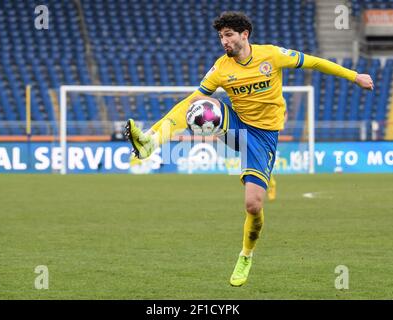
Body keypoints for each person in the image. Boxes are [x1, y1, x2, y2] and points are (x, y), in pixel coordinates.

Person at [125, 11, 374, 287]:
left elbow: (313, 62)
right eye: (221, 36)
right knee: (202, 105)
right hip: (236, 124)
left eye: (229, 35)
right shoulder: (221, 68)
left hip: (263, 137)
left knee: (253, 206)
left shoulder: (271, 55)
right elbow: (191, 100)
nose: (224, 41)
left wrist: (354, 76)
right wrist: (155, 131)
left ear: (245, 35)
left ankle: (246, 254)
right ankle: (149, 142)